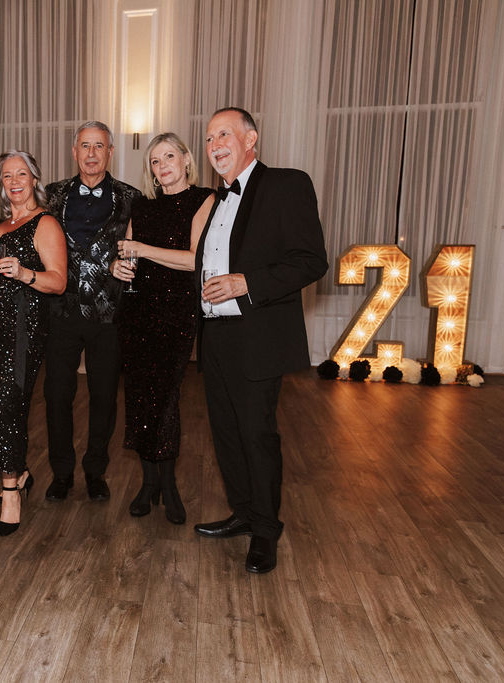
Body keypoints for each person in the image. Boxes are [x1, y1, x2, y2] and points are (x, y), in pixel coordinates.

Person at [193, 107, 328, 574]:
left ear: (251, 139)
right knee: (227, 435)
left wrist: (245, 282)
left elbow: (311, 261)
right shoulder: (216, 198)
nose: (215, 146)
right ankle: (244, 513)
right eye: (209, 138)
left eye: (224, 135)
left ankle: (267, 530)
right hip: (215, 334)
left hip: (257, 336)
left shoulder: (286, 184)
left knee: (257, 435)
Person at [111, 132, 214, 525]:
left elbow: (194, 260)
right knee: (140, 398)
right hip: (137, 311)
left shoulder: (203, 199)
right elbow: (127, 254)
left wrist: (141, 250)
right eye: (155, 161)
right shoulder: (142, 206)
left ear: (186, 160)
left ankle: (168, 486)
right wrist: (117, 267)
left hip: (176, 313)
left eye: (169, 156)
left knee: (166, 398)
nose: (162, 165)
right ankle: (149, 483)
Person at [43, 121, 142, 502]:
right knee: (57, 395)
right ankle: (61, 472)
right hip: (61, 310)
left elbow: (142, 250)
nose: (91, 153)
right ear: (74, 152)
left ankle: (96, 471)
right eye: (85, 146)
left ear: (110, 152)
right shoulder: (51, 195)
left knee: (104, 397)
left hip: (109, 313)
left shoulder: (132, 197)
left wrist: (128, 267)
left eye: (99, 146)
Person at [0, 150, 67, 536]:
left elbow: (58, 281)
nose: (14, 181)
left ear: (34, 179)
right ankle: (19, 474)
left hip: (22, 331)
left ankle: (10, 493)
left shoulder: (45, 223)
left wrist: (25, 273)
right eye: (7, 175)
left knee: (8, 405)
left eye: (21, 174)